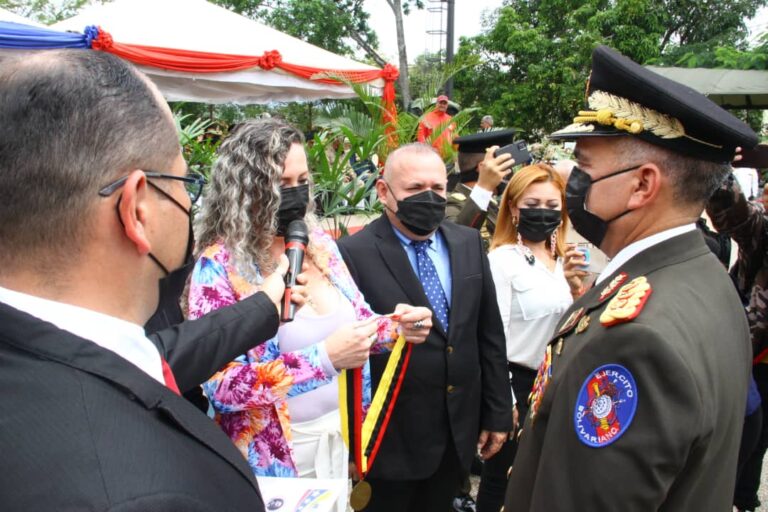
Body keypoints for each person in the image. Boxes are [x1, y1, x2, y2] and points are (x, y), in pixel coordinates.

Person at [0, 49, 291, 511]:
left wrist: (262, 305)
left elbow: (153, 355)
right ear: (138, 208)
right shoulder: (147, 492)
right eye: (180, 182)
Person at [504, 45, 757, 511]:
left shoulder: (635, 341)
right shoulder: (706, 278)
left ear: (643, 184)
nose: (571, 184)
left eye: (583, 167)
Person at [187, 119, 432, 494]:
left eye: (302, 182)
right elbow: (221, 386)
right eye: (281, 184)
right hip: (273, 458)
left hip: (342, 438)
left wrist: (395, 325)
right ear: (246, 189)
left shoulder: (319, 244)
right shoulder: (217, 266)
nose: (295, 194)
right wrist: (323, 360)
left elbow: (358, 323)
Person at [337, 143, 512, 512]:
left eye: (437, 188)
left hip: (456, 434)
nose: (429, 198)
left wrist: (496, 411)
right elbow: (346, 352)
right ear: (384, 191)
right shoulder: (354, 253)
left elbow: (488, 333)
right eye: (415, 189)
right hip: (389, 443)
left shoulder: (466, 243)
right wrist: (353, 445)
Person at [476, 163, 586, 512]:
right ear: (513, 208)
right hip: (518, 386)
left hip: (560, 384)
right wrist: (503, 401)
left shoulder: (565, 260)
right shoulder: (503, 260)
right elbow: (495, 336)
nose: (543, 213)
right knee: (504, 481)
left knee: (548, 482)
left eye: (553, 206)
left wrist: (577, 287)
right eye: (533, 203)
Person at [707, 173, 768, 512]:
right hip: (751, 359)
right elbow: (737, 216)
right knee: (746, 433)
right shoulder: (762, 229)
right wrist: (718, 170)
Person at [446, 130, 517, 235]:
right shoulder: (453, 205)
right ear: (482, 167)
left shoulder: (490, 203)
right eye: (504, 166)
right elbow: (457, 236)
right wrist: (484, 187)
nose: (509, 171)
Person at [417, 94, 456, 159]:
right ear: (436, 104)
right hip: (432, 156)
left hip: (448, 158)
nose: (442, 105)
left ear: (447, 106)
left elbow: (455, 137)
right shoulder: (426, 118)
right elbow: (420, 136)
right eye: (440, 103)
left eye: (444, 103)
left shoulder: (450, 120)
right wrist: (425, 151)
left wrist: (455, 154)